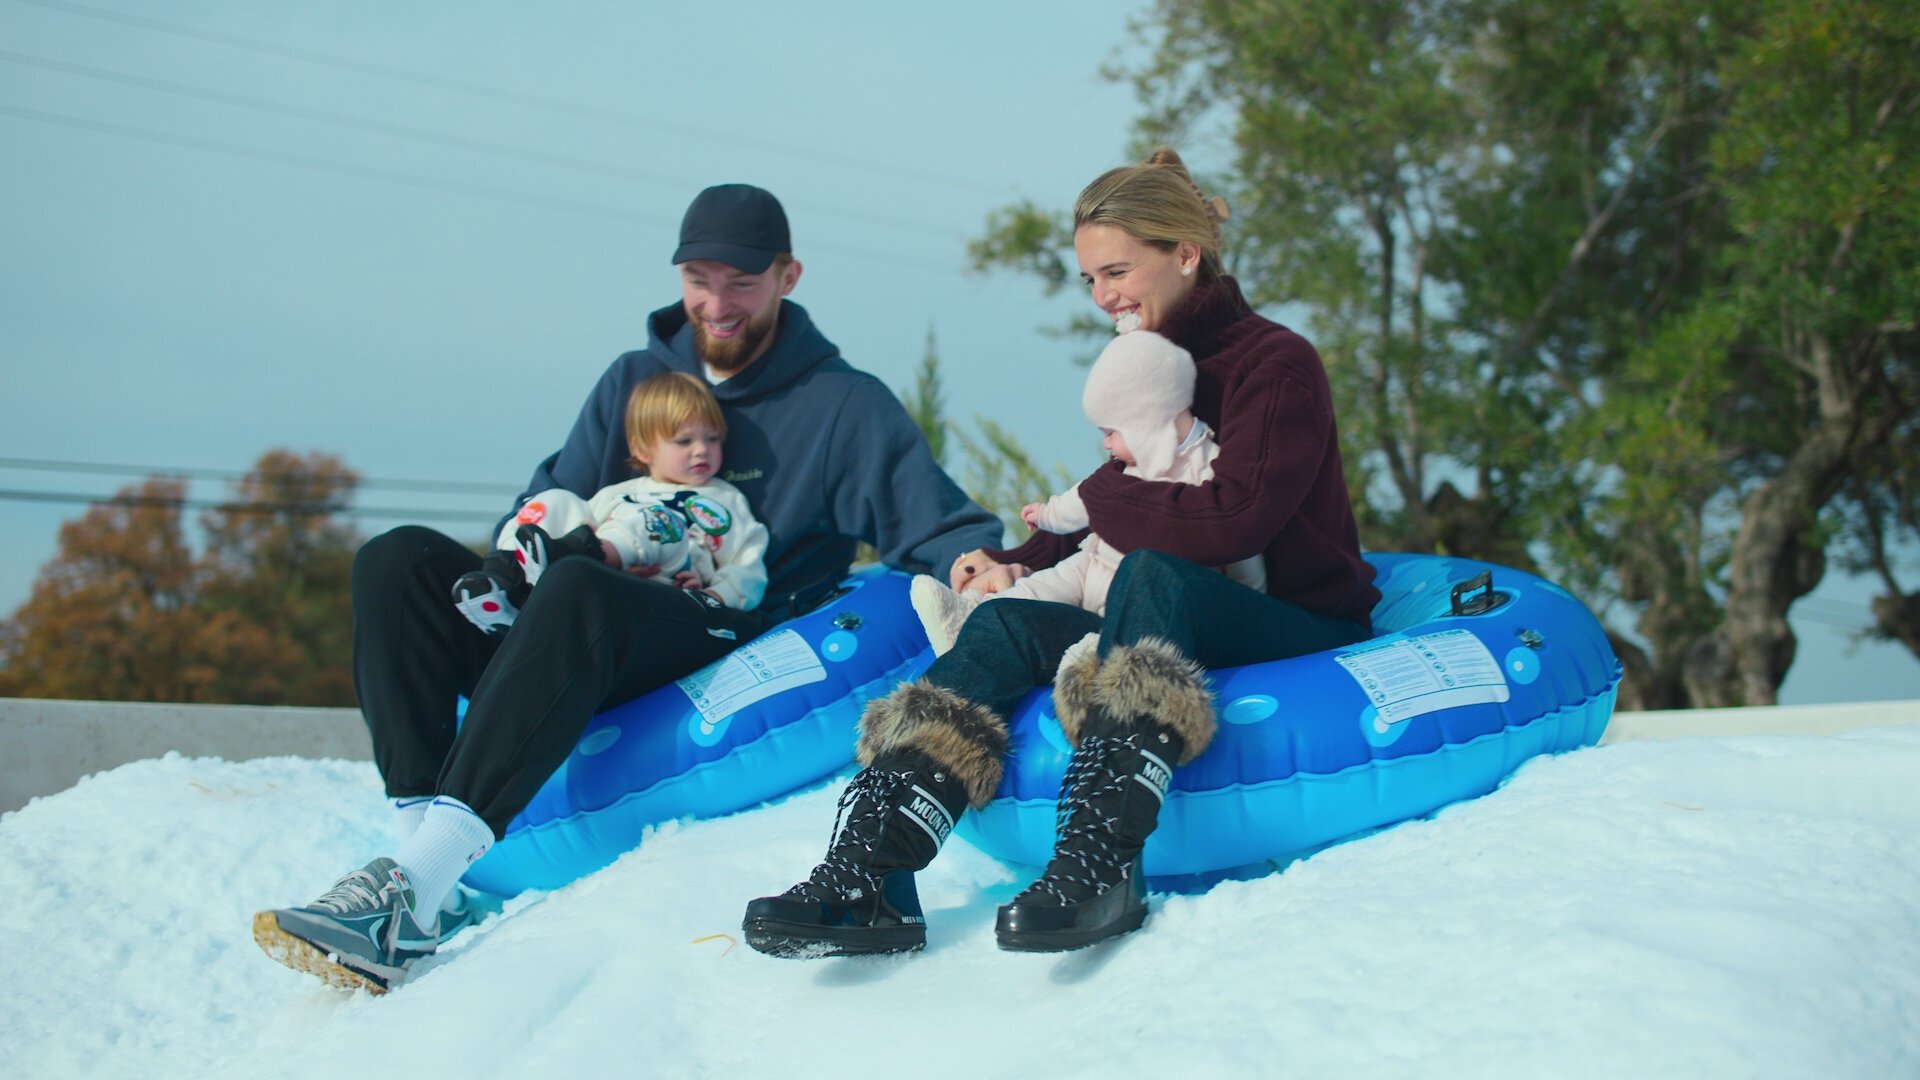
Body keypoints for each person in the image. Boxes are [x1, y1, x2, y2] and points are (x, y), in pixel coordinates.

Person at [252, 183, 1004, 993]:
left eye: (742, 283)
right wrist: (515, 562)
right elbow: (547, 499)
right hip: (578, 623)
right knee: (394, 559)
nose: (716, 305)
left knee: (579, 585)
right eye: (699, 279)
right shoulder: (634, 381)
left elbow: (934, 521)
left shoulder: (841, 406)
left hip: (712, 625)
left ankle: (417, 885)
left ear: (788, 276)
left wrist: (981, 565)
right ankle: (413, 877)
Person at [743, 149, 1382, 957]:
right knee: (1007, 623)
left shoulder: (1273, 365)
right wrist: (1016, 560)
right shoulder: (1147, 365)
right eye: (1089, 279)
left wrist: (1104, 500)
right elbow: (1110, 496)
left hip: (1295, 618)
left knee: (1155, 574)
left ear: (1185, 253)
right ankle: (870, 876)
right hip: (1168, 605)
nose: (1103, 296)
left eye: (1117, 271)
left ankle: (1100, 863)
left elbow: (1232, 522)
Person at [908, 329, 1263, 655]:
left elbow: (1240, 541)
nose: (1105, 442)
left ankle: (1088, 655)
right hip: (1092, 563)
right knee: (1040, 589)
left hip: (1136, 588)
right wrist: (1048, 514)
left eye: (1111, 431)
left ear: (1148, 419)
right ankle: (971, 618)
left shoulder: (1207, 468)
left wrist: (1250, 597)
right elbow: (1083, 499)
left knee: (1109, 626)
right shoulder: (1127, 466)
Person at [450, 370, 769, 635]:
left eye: (712, 438)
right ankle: (503, 583)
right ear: (643, 450)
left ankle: (575, 556)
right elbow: (581, 519)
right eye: (684, 441)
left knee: (657, 520)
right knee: (553, 501)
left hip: (669, 582)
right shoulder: (619, 493)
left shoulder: (726, 498)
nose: (701, 449)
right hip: (605, 577)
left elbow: (748, 567)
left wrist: (713, 595)